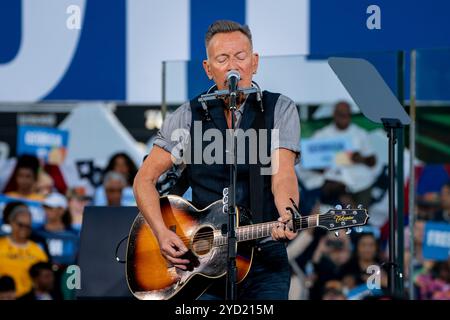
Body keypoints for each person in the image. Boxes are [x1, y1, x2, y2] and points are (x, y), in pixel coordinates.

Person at [133, 20, 301, 300]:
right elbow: (144, 180)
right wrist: (161, 232)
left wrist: (287, 213)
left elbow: (282, 175)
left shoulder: (279, 109)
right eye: (222, 59)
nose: (233, 66)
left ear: (255, 62)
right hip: (204, 257)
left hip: (264, 253)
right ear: (208, 69)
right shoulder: (187, 116)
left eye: (241, 57)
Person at [313, 101, 377, 207]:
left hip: (361, 183)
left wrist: (361, 158)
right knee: (340, 220)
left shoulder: (360, 134)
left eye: (347, 115)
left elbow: (372, 161)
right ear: (334, 114)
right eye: (341, 114)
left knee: (362, 218)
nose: (344, 118)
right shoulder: (322, 135)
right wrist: (322, 165)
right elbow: (310, 162)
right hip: (336, 186)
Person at [0, 206, 48, 297]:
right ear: (11, 222)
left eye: (28, 226)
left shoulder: (37, 250)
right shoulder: (0, 245)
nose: (24, 229)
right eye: (20, 225)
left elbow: (43, 278)